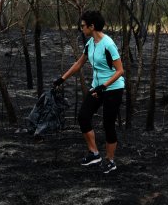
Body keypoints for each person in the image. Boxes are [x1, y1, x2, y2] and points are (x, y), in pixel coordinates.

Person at [53, 11, 125, 172]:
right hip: (98, 87)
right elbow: (79, 64)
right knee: (83, 116)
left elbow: (120, 70)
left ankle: (110, 160)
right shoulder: (90, 43)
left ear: (92, 26)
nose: (81, 29)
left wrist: (104, 86)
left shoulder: (108, 44)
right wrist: (62, 79)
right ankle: (94, 153)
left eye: (83, 26)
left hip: (113, 88)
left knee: (108, 124)